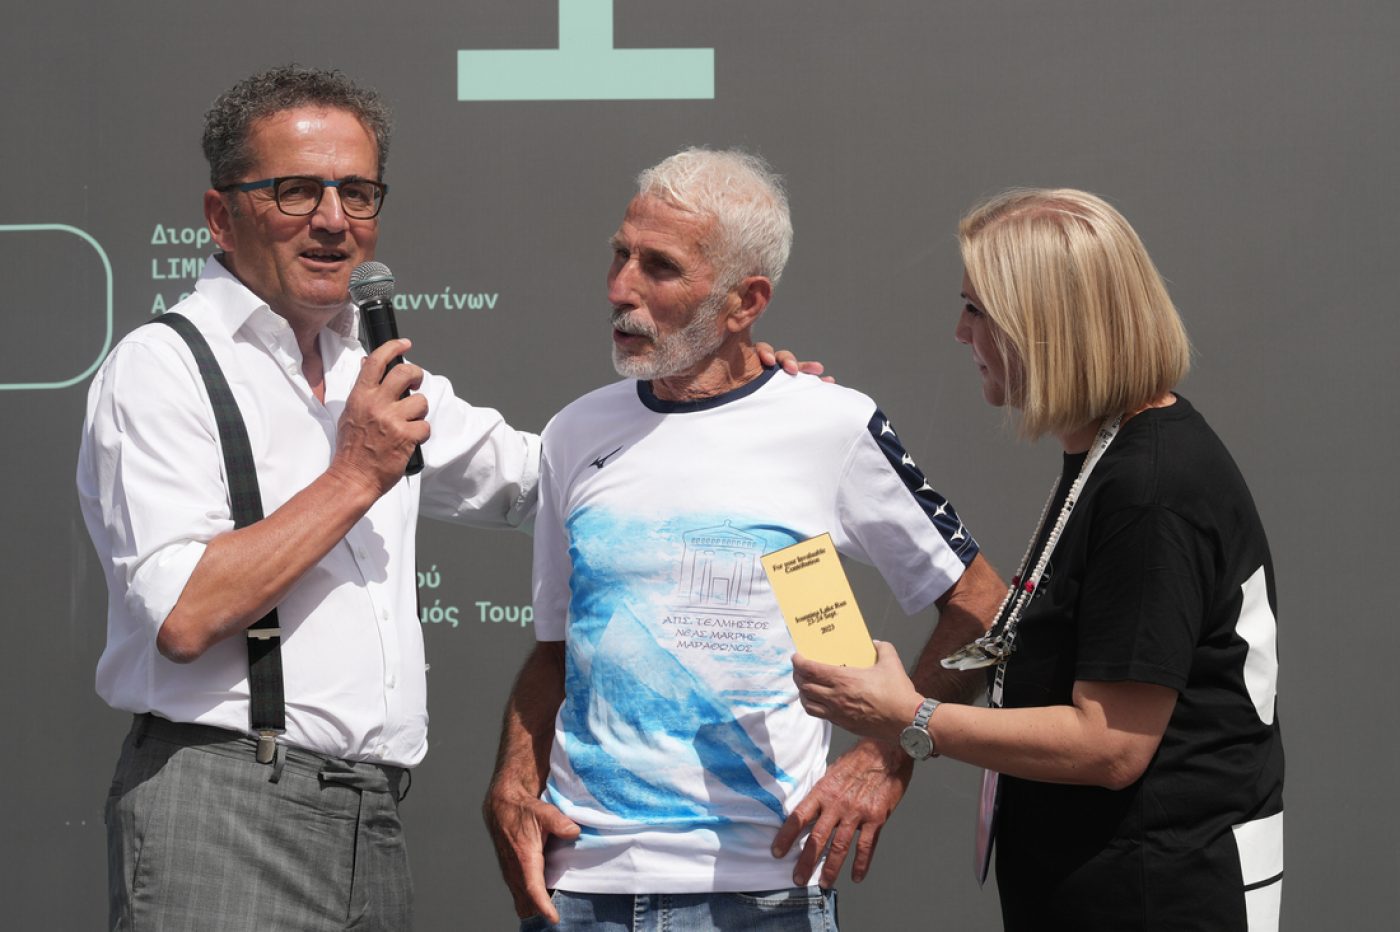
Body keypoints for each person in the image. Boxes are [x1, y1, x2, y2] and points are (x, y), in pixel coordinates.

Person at [483, 148, 1005, 931]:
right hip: (578, 889)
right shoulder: (574, 431)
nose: (620, 288)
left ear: (745, 302)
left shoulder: (827, 423)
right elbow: (558, 651)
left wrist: (887, 755)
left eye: (659, 267)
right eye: (620, 254)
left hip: (763, 892)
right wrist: (514, 781)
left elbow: (982, 604)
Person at [76, 65, 543, 930]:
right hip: (223, 809)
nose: (333, 220)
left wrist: (737, 398)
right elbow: (182, 613)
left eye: (357, 193)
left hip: (374, 819)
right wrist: (356, 474)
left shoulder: (374, 371)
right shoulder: (163, 366)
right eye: (296, 191)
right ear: (221, 216)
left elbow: (542, 481)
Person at [793, 189, 1284, 930]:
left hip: (1158, 898)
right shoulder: (1113, 456)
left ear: (1045, 327)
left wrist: (910, 718)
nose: (960, 332)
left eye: (977, 310)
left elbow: (1111, 744)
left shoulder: (1151, 488)